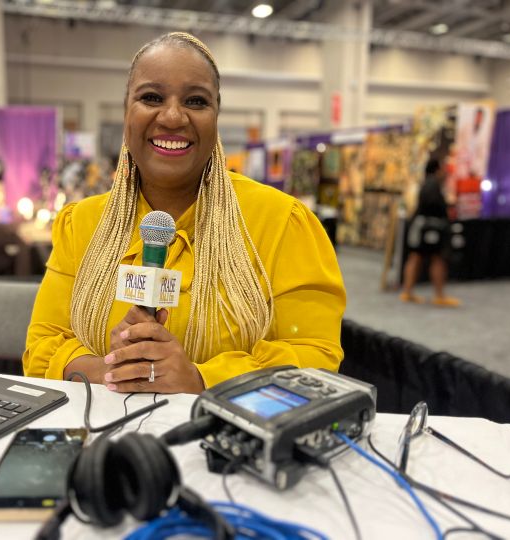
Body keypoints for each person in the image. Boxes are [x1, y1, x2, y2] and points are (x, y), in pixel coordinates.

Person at [23, 32, 346, 394]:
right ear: (126, 110)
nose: (173, 116)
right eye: (151, 97)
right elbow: (42, 343)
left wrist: (202, 379)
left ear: (216, 115)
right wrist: (113, 370)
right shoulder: (82, 224)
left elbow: (315, 354)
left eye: (196, 101)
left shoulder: (281, 222)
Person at [400, 158, 460, 307]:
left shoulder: (428, 183)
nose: (445, 171)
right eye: (443, 168)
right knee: (436, 258)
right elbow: (432, 204)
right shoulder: (432, 184)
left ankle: (409, 291)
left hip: (424, 227)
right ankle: (438, 295)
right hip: (429, 228)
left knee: (417, 257)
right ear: (437, 169)